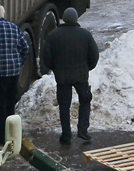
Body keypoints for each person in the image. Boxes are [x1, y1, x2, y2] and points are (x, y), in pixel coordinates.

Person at [41, 8, 99, 145]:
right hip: (81, 76)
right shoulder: (85, 35)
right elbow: (94, 55)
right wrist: (87, 68)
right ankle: (83, 130)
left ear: (63, 19)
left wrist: (55, 68)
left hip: (62, 77)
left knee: (64, 105)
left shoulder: (54, 35)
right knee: (85, 101)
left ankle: (66, 135)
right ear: (76, 19)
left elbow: (46, 57)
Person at [0, 4, 29, 145]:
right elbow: (25, 48)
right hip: (14, 72)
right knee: (10, 103)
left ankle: (0, 137)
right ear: (4, 14)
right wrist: (19, 63)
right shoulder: (14, 27)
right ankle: (12, 135)